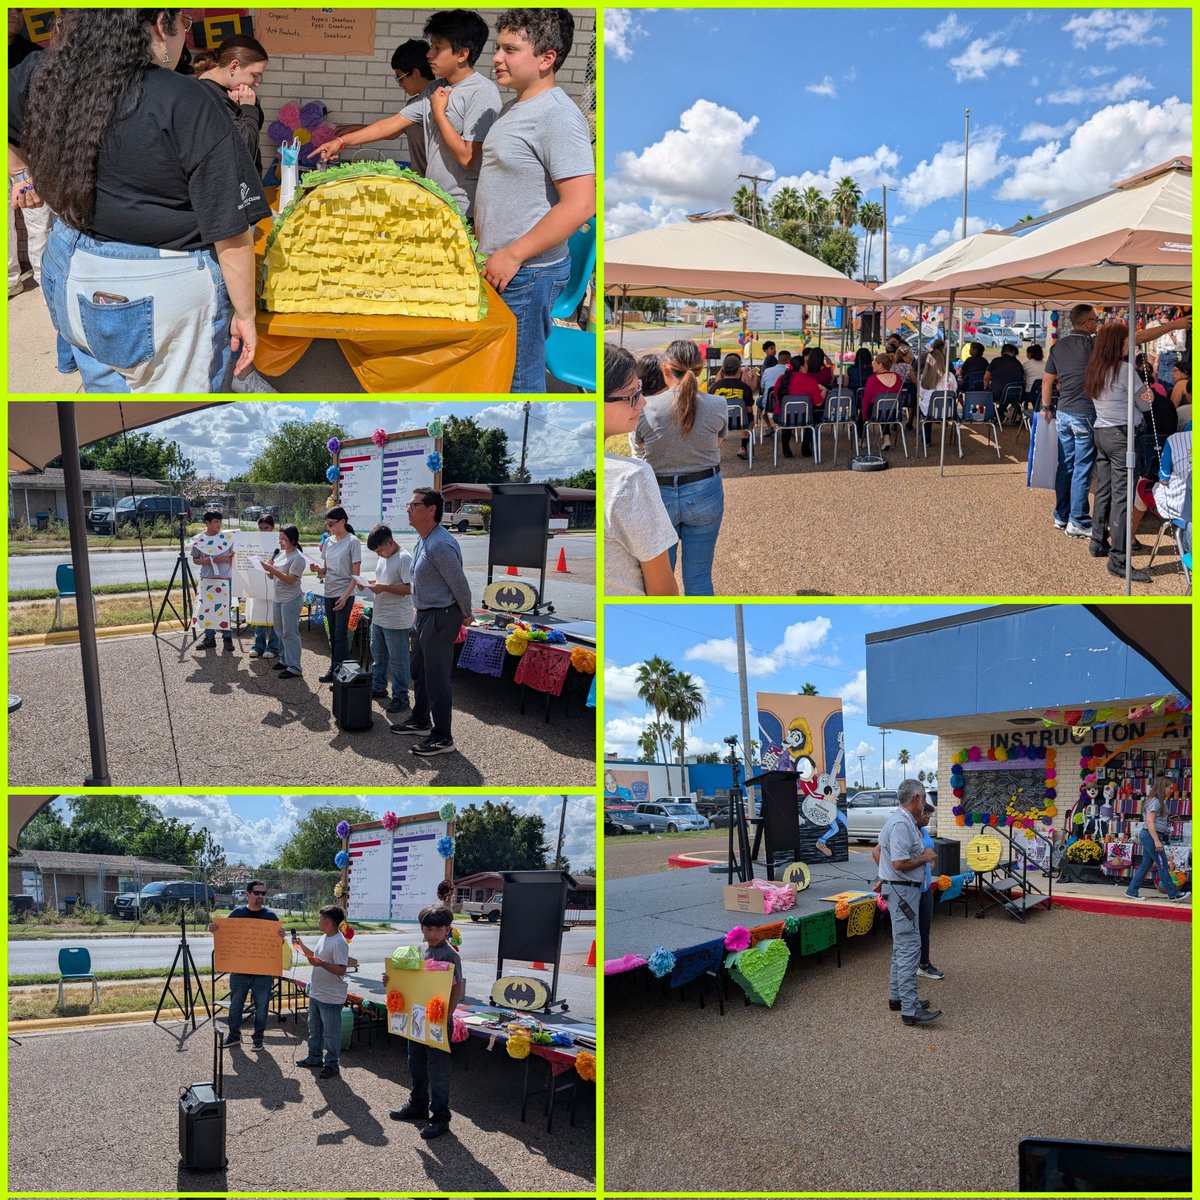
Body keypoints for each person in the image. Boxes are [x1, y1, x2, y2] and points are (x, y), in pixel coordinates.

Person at [12, 8, 269, 392]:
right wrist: (246, 315)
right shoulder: (187, 98)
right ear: (161, 22)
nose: (185, 31)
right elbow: (231, 232)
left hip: (67, 264)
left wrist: (21, 172)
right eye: (184, 22)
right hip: (159, 283)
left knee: (104, 389)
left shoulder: (43, 74)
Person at [474, 9, 596, 393]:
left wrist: (513, 254)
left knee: (518, 382)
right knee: (499, 373)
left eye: (511, 49)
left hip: (525, 274)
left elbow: (581, 204)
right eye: (498, 48)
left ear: (547, 58)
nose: (496, 58)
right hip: (505, 266)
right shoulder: (517, 107)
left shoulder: (557, 115)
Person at [315, 11, 499, 225]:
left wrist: (439, 113)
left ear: (462, 54)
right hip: (436, 200)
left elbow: (469, 158)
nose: (429, 54)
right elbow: (392, 124)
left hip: (462, 210)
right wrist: (341, 141)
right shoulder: (436, 88)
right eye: (431, 46)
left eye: (437, 48)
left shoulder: (482, 92)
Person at [1042, 305, 1190, 538]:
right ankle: (1078, 520)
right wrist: (1174, 325)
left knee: (1066, 466)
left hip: (1064, 412)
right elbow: (1138, 337)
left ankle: (1062, 516)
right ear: (1089, 323)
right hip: (1090, 415)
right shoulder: (1095, 346)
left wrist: (1045, 407)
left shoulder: (1058, 346)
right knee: (1084, 469)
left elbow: (1047, 381)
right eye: (1095, 321)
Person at [634, 339, 726, 595]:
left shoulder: (646, 408)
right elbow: (717, 440)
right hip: (704, 490)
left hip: (659, 494)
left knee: (659, 579)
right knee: (699, 577)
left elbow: (640, 446)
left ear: (665, 370)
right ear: (700, 369)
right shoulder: (718, 405)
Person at [392, 488, 473, 757]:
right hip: (425, 614)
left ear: (431, 510)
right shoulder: (422, 539)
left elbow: (459, 584)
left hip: (442, 616)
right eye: (409, 504)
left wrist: (467, 612)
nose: (408, 509)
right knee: (420, 671)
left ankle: (443, 737)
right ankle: (421, 720)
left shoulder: (441, 544)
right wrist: (419, 608)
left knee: (437, 679)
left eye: (414, 505)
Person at [604, 344, 678, 596]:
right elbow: (662, 589)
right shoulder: (630, 477)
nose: (643, 402)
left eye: (641, 390)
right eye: (632, 395)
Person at [387, 904, 465, 1139]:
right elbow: (409, 982)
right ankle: (418, 1104)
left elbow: (457, 989)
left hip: (437, 1022)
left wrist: (444, 1020)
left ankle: (441, 1115)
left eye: (438, 929)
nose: (432, 934)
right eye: (428, 928)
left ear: (448, 929)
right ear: (421, 928)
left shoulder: (450, 955)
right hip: (417, 1020)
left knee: (437, 1070)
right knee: (416, 1064)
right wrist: (391, 981)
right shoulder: (419, 949)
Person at [1085, 322, 1154, 581]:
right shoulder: (1126, 370)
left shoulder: (1094, 368)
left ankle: (1097, 541)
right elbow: (1145, 406)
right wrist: (1149, 397)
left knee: (1104, 489)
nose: (1130, 345)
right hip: (1123, 436)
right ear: (1116, 344)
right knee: (1123, 497)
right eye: (1126, 342)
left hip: (1101, 432)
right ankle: (1119, 560)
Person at [876, 779, 940, 1024]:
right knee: (909, 948)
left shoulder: (899, 820)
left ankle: (898, 999)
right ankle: (910, 1009)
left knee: (901, 947)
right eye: (924, 798)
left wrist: (884, 877)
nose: (924, 804)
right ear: (916, 797)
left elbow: (884, 854)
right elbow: (899, 863)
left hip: (901, 890)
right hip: (903, 891)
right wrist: (924, 858)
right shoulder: (902, 823)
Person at [211, 881, 285, 1049]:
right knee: (235, 1006)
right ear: (247, 894)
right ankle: (233, 1036)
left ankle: (258, 1040)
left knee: (262, 1008)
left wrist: (281, 937)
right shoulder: (237, 914)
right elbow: (226, 938)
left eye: (263, 893)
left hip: (263, 972)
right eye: (257, 893)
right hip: (239, 971)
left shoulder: (271, 917)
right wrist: (215, 931)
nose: (260, 896)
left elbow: (276, 947)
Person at [190, 34, 268, 174]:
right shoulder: (210, 97)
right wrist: (247, 108)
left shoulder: (230, 91)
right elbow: (245, 150)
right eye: (254, 75)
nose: (256, 83)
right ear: (234, 66)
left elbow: (255, 126)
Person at [294, 904, 350, 1078]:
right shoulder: (325, 937)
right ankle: (314, 1058)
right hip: (317, 993)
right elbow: (315, 959)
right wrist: (300, 945)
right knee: (315, 1029)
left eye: (320, 919)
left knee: (331, 1034)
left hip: (331, 997)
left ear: (327, 921)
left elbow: (341, 970)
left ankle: (332, 1064)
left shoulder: (339, 942)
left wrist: (321, 963)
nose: (318, 922)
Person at [364, 524, 414, 717]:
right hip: (380, 615)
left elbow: (410, 588)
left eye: (380, 550)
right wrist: (369, 584)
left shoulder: (404, 558)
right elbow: (384, 581)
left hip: (396, 619)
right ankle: (378, 686)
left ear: (390, 542)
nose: (379, 555)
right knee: (378, 656)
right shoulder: (384, 558)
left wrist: (383, 587)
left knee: (398, 661)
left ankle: (401, 697)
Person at [314, 506, 361, 684]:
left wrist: (346, 596)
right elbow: (325, 570)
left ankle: (340, 673)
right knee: (333, 634)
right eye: (327, 524)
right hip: (329, 591)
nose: (330, 528)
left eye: (332, 524)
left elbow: (356, 575)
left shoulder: (352, 541)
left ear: (343, 521)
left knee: (341, 634)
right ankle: (335, 668)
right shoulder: (328, 541)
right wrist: (318, 570)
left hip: (345, 593)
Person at [1124, 779, 1189, 902]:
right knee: (1163, 864)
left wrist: (1167, 821)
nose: (1171, 790)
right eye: (1169, 787)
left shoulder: (1157, 801)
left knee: (1146, 865)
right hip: (1151, 836)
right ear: (1162, 787)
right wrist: (1156, 841)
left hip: (1150, 835)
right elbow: (1149, 821)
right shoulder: (1155, 801)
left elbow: (1156, 820)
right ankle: (1173, 894)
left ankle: (1131, 891)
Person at [1130, 422, 1192, 543]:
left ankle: (1129, 537)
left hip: (1180, 508)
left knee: (1141, 486)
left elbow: (1164, 478)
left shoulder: (1174, 440)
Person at [260, 524, 307, 680]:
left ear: (293, 540)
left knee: (290, 633)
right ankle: (285, 659)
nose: (280, 542)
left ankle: (295, 667)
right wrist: (269, 570)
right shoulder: (280, 554)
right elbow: (272, 577)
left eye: (283, 539)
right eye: (279, 538)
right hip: (278, 598)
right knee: (279, 631)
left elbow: (290, 580)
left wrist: (273, 570)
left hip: (291, 600)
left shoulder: (298, 558)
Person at [390, 39, 437, 174]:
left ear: (415, 73)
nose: (400, 85)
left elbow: (388, 129)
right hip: (422, 182)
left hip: (438, 186)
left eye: (400, 78)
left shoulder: (441, 101)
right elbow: (391, 131)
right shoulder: (413, 104)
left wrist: (343, 140)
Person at [192, 510, 235, 651]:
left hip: (224, 579)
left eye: (219, 521)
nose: (218, 524)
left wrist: (223, 558)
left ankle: (227, 638)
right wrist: (204, 561)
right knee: (207, 608)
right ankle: (209, 638)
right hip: (207, 579)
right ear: (207, 523)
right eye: (215, 521)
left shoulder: (227, 538)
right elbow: (195, 559)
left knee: (225, 610)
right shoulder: (199, 540)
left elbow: (234, 557)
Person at [770, 353, 825, 458]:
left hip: (781, 415)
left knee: (788, 416)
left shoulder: (781, 379)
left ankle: (785, 447)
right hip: (805, 417)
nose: (807, 366)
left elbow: (776, 395)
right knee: (812, 418)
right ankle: (805, 446)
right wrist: (824, 391)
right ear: (801, 368)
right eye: (806, 363)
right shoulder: (810, 381)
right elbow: (818, 403)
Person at [915, 801, 945, 981]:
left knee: (925, 928)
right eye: (925, 813)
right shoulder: (905, 829)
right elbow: (879, 852)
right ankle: (907, 968)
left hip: (925, 886)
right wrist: (885, 877)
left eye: (930, 814)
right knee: (911, 932)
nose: (927, 817)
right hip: (909, 889)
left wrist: (929, 862)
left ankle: (924, 964)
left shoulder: (923, 831)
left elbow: (927, 853)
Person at [708, 352, 755, 459]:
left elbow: (710, 406)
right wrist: (751, 421)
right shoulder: (745, 388)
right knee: (750, 420)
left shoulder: (714, 387)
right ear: (739, 372)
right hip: (740, 422)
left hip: (719, 422)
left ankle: (714, 449)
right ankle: (743, 447)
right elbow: (749, 411)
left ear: (723, 371)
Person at [248, 514, 282, 660]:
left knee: (273, 616)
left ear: (273, 527)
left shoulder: (280, 542)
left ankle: (273, 646)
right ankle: (258, 646)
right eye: (261, 528)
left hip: (274, 583)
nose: (263, 531)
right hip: (258, 583)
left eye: (266, 528)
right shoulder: (253, 542)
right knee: (259, 614)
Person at [860, 351, 904, 449]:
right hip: (894, 413)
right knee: (885, 408)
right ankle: (887, 438)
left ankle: (861, 440)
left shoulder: (872, 379)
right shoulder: (897, 377)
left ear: (880, 365)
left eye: (874, 363)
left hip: (876, 413)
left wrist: (864, 414)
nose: (872, 365)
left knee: (869, 410)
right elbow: (900, 397)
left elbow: (866, 400)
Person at [984, 342, 1025, 421]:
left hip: (998, 394)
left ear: (1002, 352)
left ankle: (994, 415)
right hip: (1016, 395)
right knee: (1006, 392)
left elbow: (986, 377)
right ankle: (1000, 413)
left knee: (990, 394)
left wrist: (985, 388)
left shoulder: (996, 361)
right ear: (1013, 352)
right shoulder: (1018, 364)